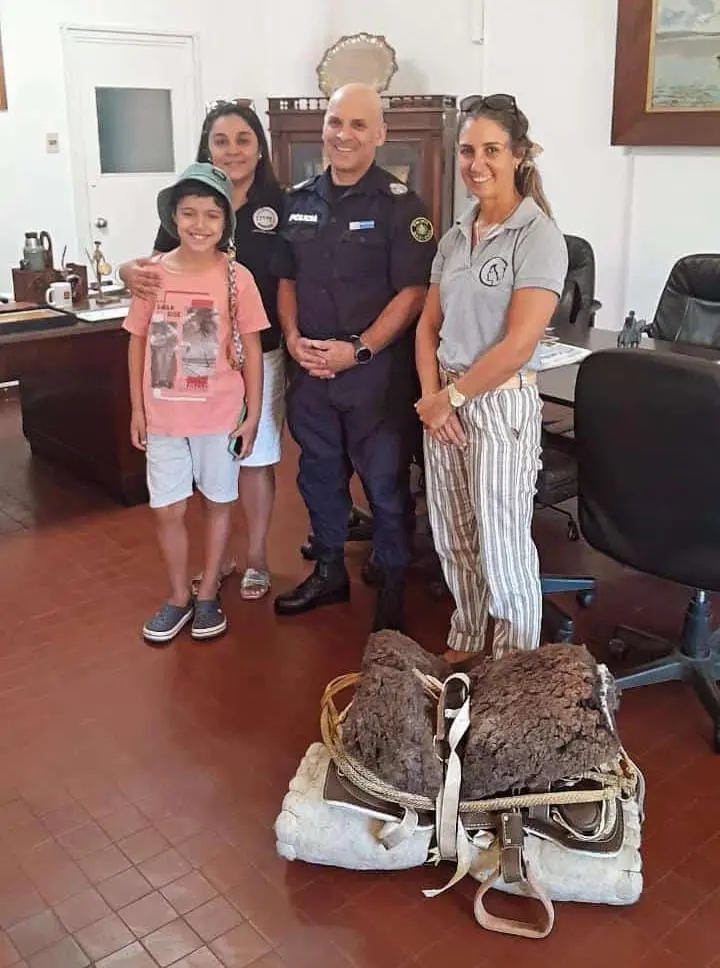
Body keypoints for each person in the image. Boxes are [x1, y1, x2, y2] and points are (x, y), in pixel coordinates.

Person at [272, 83, 436, 632]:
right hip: (312, 370)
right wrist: (292, 337)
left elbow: (413, 293)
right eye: (336, 122)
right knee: (318, 476)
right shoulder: (298, 200)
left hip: (373, 374)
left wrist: (359, 348)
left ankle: (391, 580)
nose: (344, 135)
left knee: (384, 484)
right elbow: (287, 278)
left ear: (380, 135)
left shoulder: (401, 206)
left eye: (358, 125)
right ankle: (328, 573)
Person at [415, 94, 568, 661]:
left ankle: (513, 666)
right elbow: (427, 326)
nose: (476, 163)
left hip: (498, 404)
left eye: (492, 150)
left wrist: (451, 398)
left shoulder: (538, 235)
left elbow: (519, 344)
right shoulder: (456, 236)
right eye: (467, 151)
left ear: (519, 155)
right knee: (454, 535)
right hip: (445, 400)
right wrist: (432, 397)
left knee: (502, 548)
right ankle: (468, 638)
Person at [120, 102, 284, 601]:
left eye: (243, 139)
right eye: (220, 140)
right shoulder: (191, 198)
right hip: (185, 368)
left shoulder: (280, 204)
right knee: (208, 474)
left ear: (260, 148)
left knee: (253, 457)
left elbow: (295, 275)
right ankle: (220, 561)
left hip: (255, 355)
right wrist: (127, 271)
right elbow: (153, 272)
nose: (232, 150)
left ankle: (255, 558)